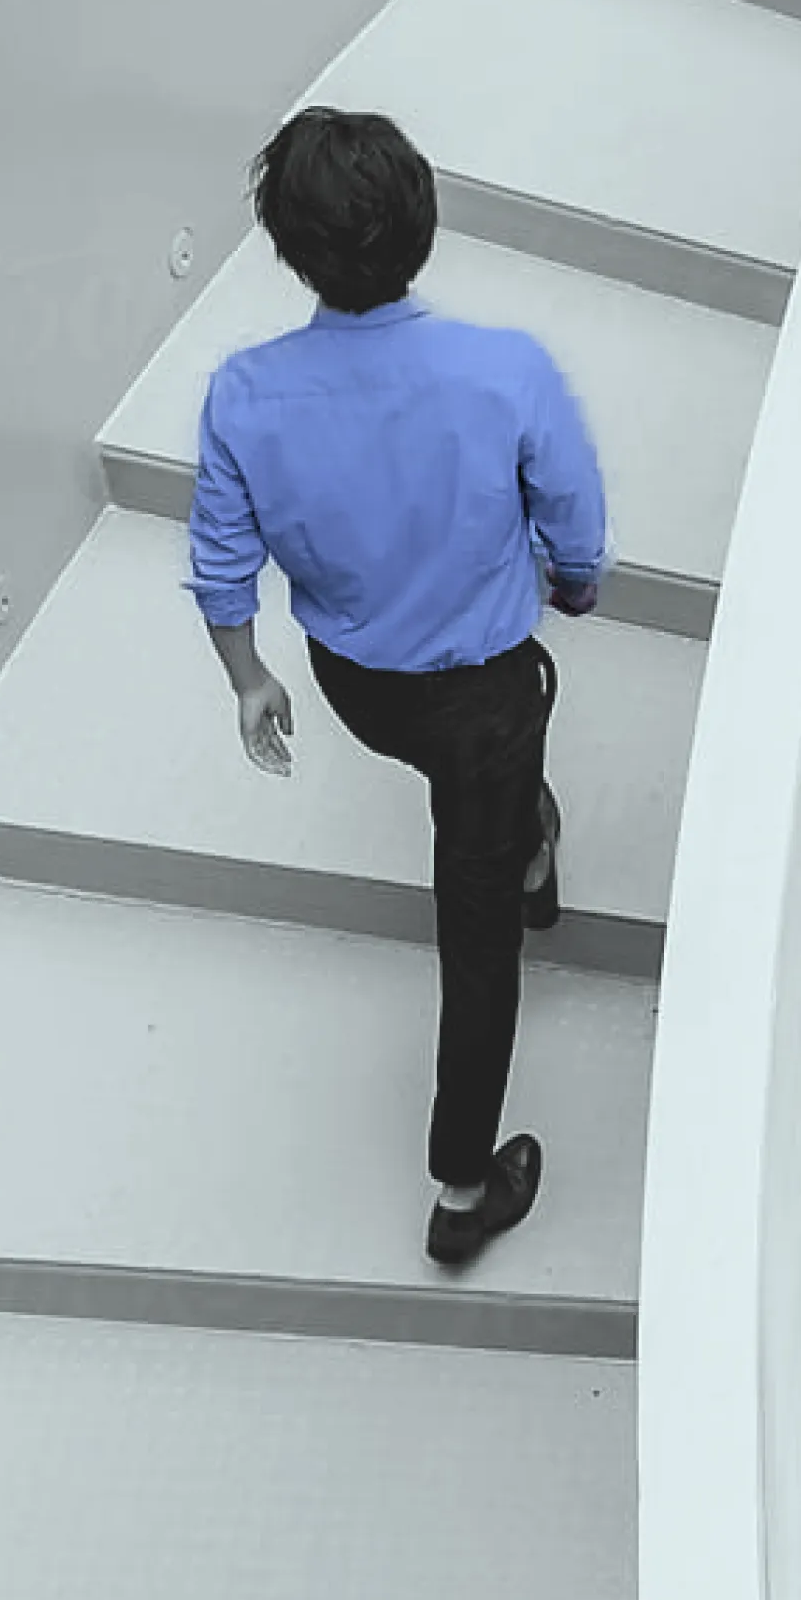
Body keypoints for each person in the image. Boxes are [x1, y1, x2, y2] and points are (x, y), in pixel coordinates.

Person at [181, 106, 612, 1271]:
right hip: (482, 701)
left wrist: (249, 677)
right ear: (422, 222)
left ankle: (524, 833)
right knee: (477, 939)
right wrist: (572, 583)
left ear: (289, 248)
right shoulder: (506, 372)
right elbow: (577, 524)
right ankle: (465, 1191)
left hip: (357, 683)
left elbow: (222, 563)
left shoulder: (245, 393)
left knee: (496, 761)